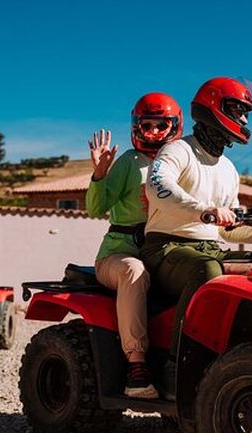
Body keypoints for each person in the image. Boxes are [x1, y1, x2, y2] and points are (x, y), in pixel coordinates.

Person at [141, 77, 252, 360]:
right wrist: (203, 210)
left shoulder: (229, 170)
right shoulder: (178, 150)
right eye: (238, 110)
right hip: (165, 248)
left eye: (246, 113)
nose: (244, 118)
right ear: (214, 106)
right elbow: (157, 188)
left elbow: (228, 230)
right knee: (207, 271)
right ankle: (180, 360)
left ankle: (249, 351)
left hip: (210, 248)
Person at [86, 93, 182, 399]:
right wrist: (100, 174)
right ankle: (136, 366)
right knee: (134, 271)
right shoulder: (129, 162)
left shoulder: (182, 161)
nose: (153, 132)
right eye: (147, 125)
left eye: (161, 126)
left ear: (174, 126)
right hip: (120, 253)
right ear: (135, 127)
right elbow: (96, 207)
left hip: (165, 250)